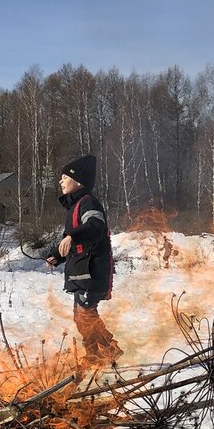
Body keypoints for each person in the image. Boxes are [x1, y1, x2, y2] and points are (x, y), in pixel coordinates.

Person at [46, 154, 122, 367]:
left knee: (86, 315)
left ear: (77, 180)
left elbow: (95, 227)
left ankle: (102, 352)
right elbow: (72, 242)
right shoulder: (75, 207)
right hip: (82, 273)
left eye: (64, 177)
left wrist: (73, 236)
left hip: (92, 272)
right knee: (82, 317)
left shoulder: (88, 202)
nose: (60, 182)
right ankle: (104, 351)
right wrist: (57, 255)